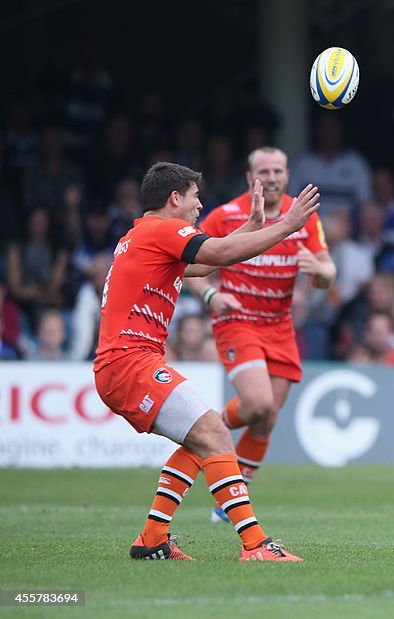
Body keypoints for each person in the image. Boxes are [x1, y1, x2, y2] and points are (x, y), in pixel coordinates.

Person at [94, 162, 320, 560]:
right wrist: (288, 225)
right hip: (131, 363)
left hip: (125, 363)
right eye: (196, 197)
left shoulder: (142, 235)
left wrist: (251, 225)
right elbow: (217, 251)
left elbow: (207, 262)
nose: (200, 205)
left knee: (201, 439)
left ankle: (151, 539)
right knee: (214, 433)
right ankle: (256, 545)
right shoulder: (164, 230)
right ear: (174, 198)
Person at [185, 147, 336, 524]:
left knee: (266, 419)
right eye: (264, 171)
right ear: (250, 174)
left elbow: (328, 276)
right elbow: (187, 266)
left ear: (287, 174)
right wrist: (211, 294)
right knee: (256, 404)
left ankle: (229, 500)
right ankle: (206, 428)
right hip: (239, 320)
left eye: (278, 170)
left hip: (280, 325)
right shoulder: (225, 216)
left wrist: (318, 270)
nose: (271, 177)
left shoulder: (301, 214)